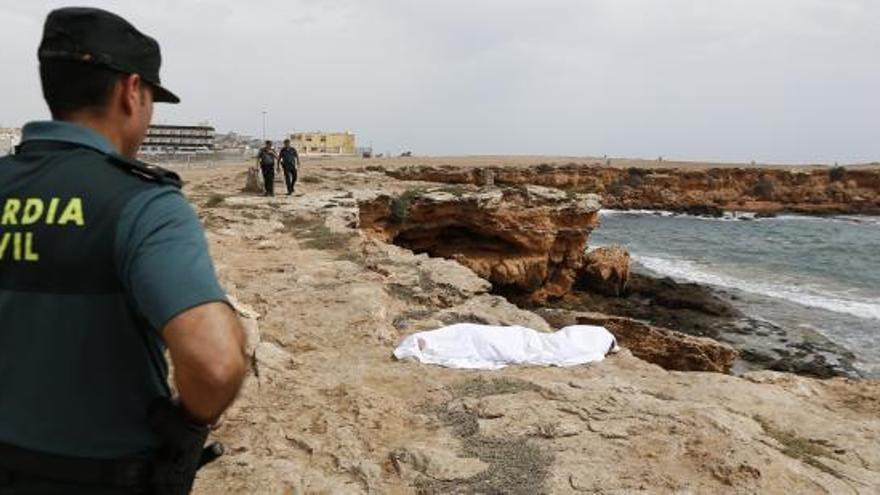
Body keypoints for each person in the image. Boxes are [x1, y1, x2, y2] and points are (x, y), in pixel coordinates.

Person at [0, 7, 247, 494]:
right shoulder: (142, 203)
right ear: (131, 92)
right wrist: (188, 425)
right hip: (103, 476)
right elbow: (215, 362)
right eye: (153, 98)